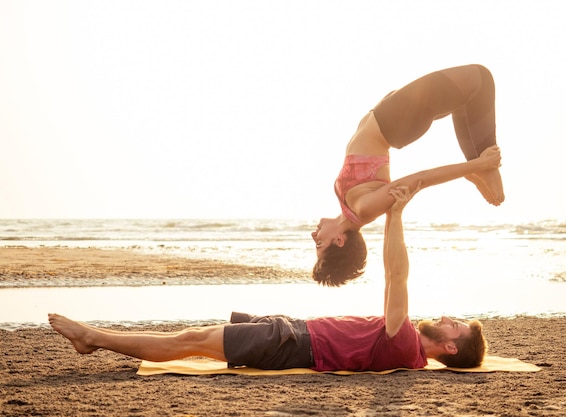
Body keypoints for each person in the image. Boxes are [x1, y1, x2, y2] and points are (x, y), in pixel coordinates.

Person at [49, 187, 488, 371]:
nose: (450, 318)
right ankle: (97, 337)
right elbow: (394, 279)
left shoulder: (406, 345)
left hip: (293, 343)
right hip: (293, 331)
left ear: (449, 347)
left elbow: (396, 275)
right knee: (196, 338)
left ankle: (93, 338)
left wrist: (396, 214)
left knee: (190, 339)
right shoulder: (406, 339)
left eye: (457, 326)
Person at [312, 64, 503, 287]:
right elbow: (420, 179)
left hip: (389, 115)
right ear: (339, 240)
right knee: (480, 78)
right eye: (319, 245)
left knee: (467, 95)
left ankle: (479, 166)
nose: (314, 237)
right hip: (395, 121)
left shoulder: (350, 208)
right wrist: (478, 163)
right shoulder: (365, 208)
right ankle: (485, 167)